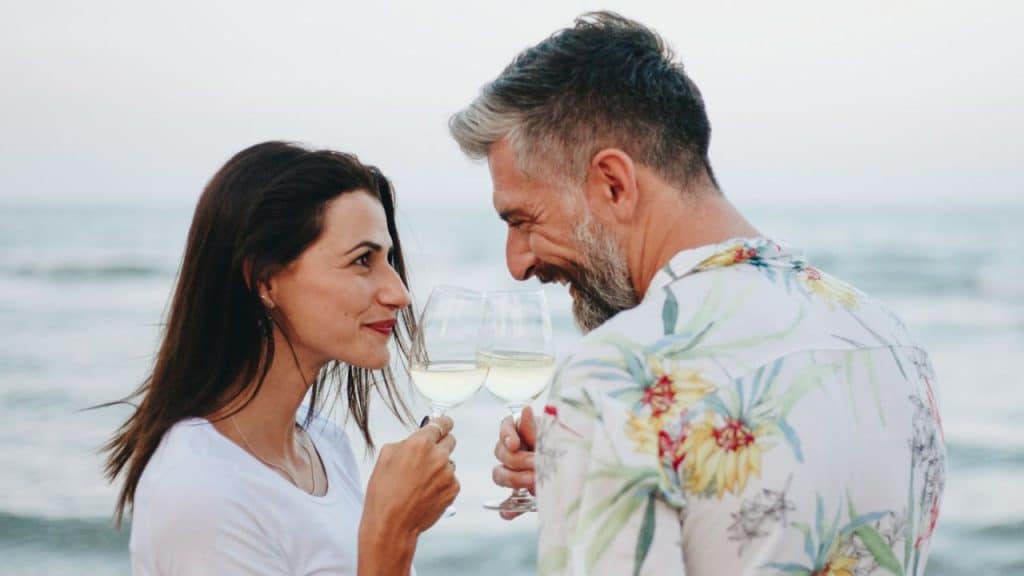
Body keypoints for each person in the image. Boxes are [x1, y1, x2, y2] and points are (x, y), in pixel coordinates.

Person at [453, 12, 946, 576]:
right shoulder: (890, 342)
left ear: (614, 183)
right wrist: (590, 479)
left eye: (523, 220)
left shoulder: (616, 382)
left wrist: (596, 449)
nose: (517, 264)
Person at [103, 141, 459, 575]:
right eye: (363, 260)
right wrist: (392, 532)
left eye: (389, 259)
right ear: (265, 280)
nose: (399, 293)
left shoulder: (326, 445)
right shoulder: (200, 491)